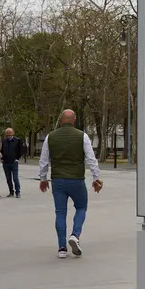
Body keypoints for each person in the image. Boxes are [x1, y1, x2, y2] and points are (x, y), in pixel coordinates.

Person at [39, 110, 103, 259]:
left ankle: (62, 248)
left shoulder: (51, 137)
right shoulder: (82, 136)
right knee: (81, 207)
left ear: (61, 120)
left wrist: (43, 179)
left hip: (58, 180)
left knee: (60, 213)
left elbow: (44, 160)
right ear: (74, 121)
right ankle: (75, 235)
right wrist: (96, 178)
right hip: (76, 180)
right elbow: (91, 159)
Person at [0, 127, 24, 198]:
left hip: (14, 162)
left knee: (15, 178)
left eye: (10, 132)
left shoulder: (17, 140)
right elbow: (2, 150)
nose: (8, 134)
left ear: (13, 133)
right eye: (7, 132)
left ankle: (18, 192)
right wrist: (2, 159)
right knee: (8, 178)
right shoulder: (4, 141)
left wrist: (17, 159)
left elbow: (20, 151)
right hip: (6, 162)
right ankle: (11, 191)